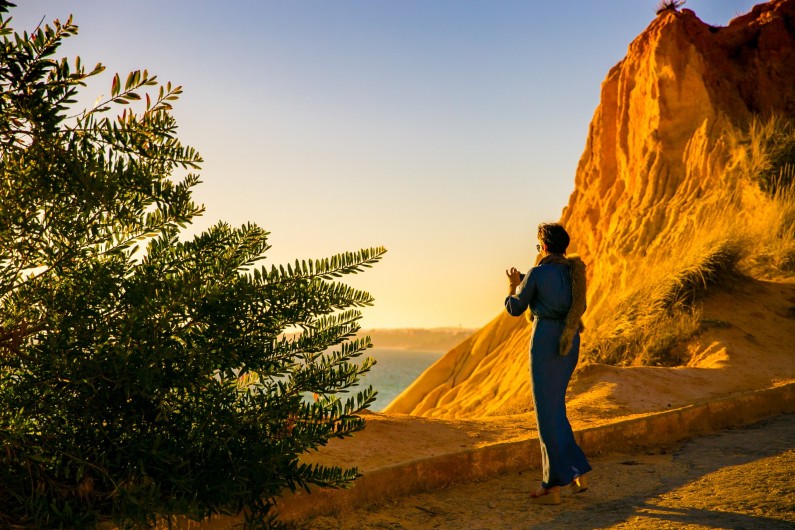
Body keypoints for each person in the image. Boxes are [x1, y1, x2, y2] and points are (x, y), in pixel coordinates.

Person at [504, 222, 591, 505]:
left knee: (546, 413)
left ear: (543, 246)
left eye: (538, 245)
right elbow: (579, 305)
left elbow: (515, 307)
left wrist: (513, 285)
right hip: (569, 339)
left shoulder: (538, 273)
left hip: (545, 342)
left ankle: (551, 486)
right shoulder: (574, 272)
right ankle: (577, 472)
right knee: (556, 409)